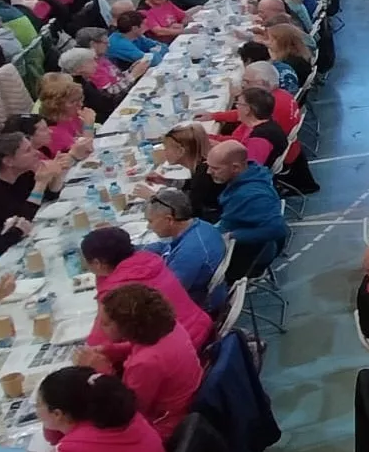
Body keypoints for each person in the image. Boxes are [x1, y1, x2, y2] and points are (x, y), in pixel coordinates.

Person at [72, 284, 203, 440]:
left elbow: (128, 411)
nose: (100, 327)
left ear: (127, 327)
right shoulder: (169, 327)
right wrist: (108, 350)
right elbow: (138, 345)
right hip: (186, 406)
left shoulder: (144, 363)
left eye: (106, 323)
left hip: (164, 428)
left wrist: (103, 373)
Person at [79, 227, 212, 350]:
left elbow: (100, 342)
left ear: (97, 263)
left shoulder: (115, 291)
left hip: (182, 347)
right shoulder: (149, 261)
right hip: (198, 328)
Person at [206, 141, 291, 280]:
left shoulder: (252, 195)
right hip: (245, 242)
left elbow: (278, 229)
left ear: (236, 167)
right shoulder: (252, 174)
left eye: (215, 168)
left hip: (252, 255)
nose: (208, 172)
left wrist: (232, 236)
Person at [34, 366, 165, 452]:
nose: (35, 409)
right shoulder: (119, 411)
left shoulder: (72, 447)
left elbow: (55, 440)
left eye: (38, 403)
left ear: (57, 413)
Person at [141, 189, 228, 311]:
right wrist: (133, 250)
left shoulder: (189, 253)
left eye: (150, 221)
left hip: (196, 306)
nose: (148, 227)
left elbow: (165, 295)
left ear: (169, 220)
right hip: (198, 292)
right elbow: (166, 247)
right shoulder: (198, 226)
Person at [0, 130, 73, 223]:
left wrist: (57, 173)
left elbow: (51, 197)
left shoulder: (23, 173)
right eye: (28, 150)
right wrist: (40, 184)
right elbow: (22, 220)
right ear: (8, 161)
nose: (37, 153)